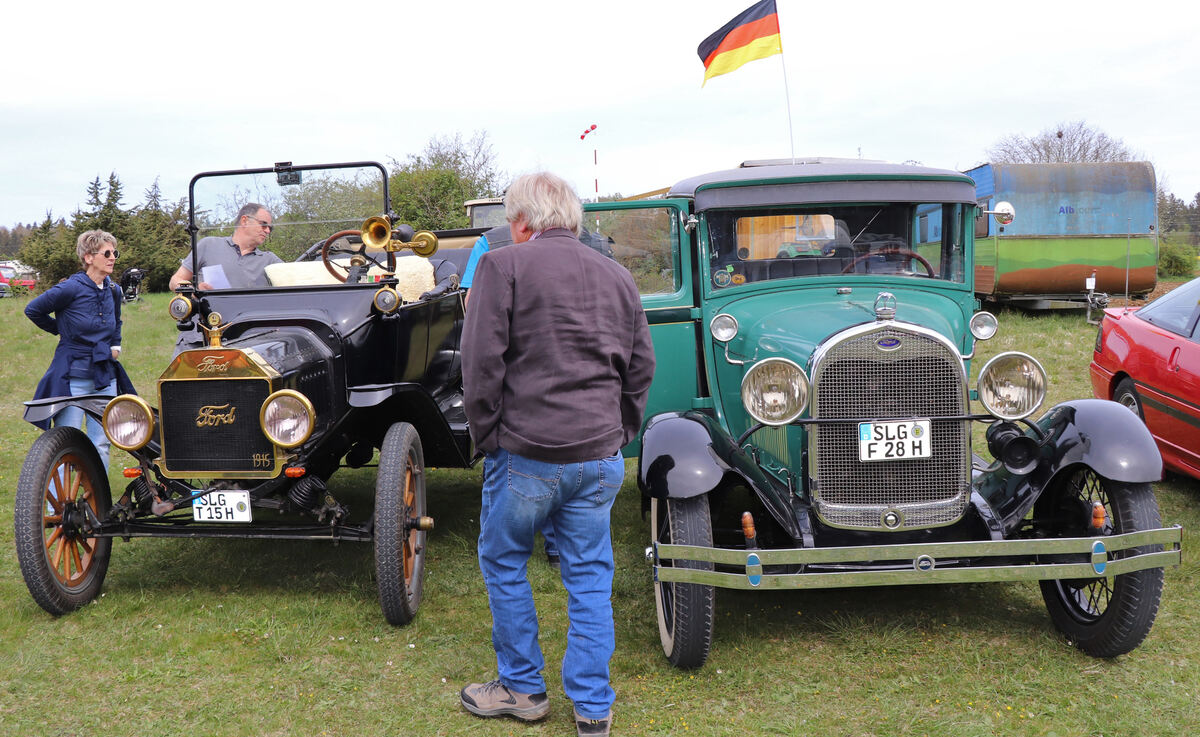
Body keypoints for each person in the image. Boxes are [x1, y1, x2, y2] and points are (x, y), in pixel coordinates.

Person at [458, 172, 655, 737]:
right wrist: (620, 432)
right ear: (570, 217)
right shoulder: (619, 276)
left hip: (527, 452)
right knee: (590, 577)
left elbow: (480, 367)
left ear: (521, 223)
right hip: (600, 452)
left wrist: (487, 435)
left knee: (503, 561)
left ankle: (521, 688)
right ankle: (593, 709)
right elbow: (640, 366)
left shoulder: (502, 265)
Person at [459, 221, 560, 569]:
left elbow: (472, 302)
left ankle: (510, 543)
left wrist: (483, 432)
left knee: (522, 457)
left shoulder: (490, 242)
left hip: (518, 374)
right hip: (577, 387)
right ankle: (557, 546)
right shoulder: (585, 243)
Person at [26, 230, 135, 470]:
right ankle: (62, 506)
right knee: (67, 443)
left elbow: (116, 321)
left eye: (114, 252)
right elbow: (33, 310)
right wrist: (60, 329)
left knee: (102, 443)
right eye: (107, 253)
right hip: (72, 376)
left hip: (104, 375)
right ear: (88, 257)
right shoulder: (69, 289)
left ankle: (100, 505)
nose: (113, 257)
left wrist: (115, 346)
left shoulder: (113, 291)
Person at [169, 203, 281, 290]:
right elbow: (175, 280)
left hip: (249, 319)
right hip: (210, 317)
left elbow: (295, 282)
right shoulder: (208, 245)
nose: (267, 231)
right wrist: (195, 292)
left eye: (270, 228)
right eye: (264, 225)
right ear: (245, 221)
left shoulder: (270, 260)